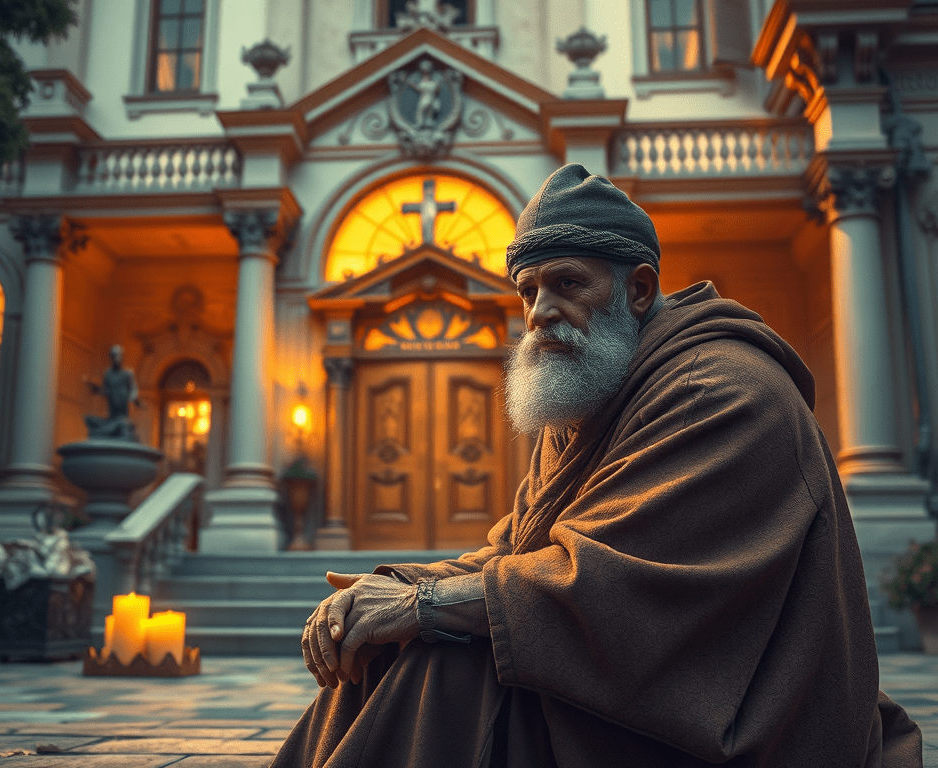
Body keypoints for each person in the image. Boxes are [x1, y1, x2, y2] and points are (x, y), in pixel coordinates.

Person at [271, 164, 922, 767]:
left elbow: (615, 590)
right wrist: (384, 592)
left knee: (443, 663)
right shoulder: (592, 392)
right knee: (387, 644)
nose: (540, 312)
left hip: (739, 714)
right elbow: (516, 551)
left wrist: (427, 604)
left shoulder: (722, 391)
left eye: (568, 283)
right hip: (633, 683)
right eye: (527, 292)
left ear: (639, 288)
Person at [84, 344, 142, 440]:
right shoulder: (108, 374)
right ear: (111, 357)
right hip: (112, 407)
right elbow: (106, 390)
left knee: (123, 423)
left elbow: (133, 389)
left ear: (122, 357)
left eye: (119, 355)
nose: (117, 358)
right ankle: (109, 430)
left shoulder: (128, 374)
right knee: (107, 422)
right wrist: (96, 389)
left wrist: (134, 398)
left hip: (123, 408)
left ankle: (120, 430)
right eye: (115, 355)